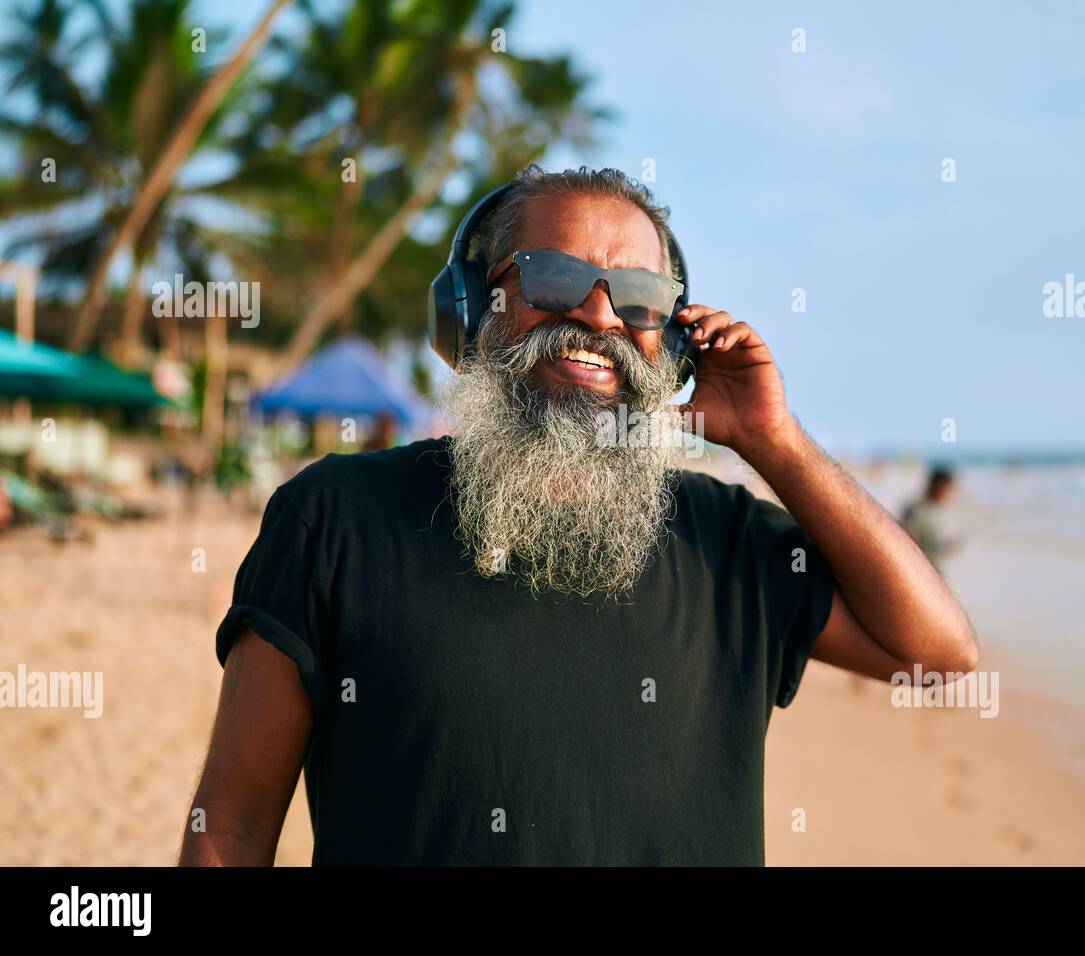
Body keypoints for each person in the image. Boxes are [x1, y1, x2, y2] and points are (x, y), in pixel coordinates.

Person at [179, 165, 977, 866]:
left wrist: (775, 441)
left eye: (639, 299)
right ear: (471, 305)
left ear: (672, 346)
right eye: (556, 279)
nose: (599, 318)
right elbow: (234, 827)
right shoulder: (333, 520)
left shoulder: (728, 543)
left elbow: (940, 657)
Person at [901, 465, 959, 575]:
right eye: (946, 489)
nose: (948, 494)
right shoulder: (916, 510)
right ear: (936, 487)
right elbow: (907, 538)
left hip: (938, 570)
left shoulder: (941, 511)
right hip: (921, 571)